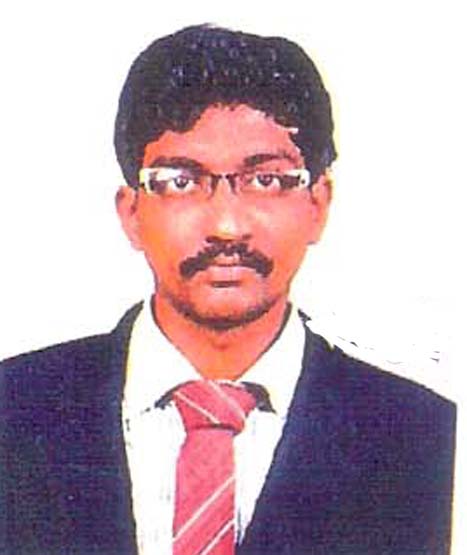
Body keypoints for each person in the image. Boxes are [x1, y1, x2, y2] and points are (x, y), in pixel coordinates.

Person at [0, 24, 456, 555]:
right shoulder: (13, 411)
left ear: (318, 205)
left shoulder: (430, 438)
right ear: (131, 213)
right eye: (181, 181)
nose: (226, 226)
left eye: (266, 180)